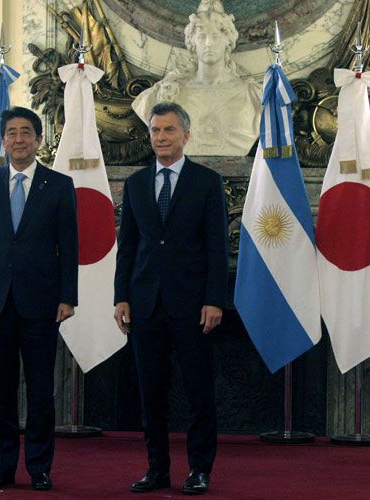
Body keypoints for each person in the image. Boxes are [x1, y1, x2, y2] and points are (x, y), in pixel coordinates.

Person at [114, 102, 228, 495]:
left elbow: (217, 248)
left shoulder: (207, 182)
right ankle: (157, 469)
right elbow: (127, 247)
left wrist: (215, 299)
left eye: (168, 131)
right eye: (155, 131)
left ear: (186, 135)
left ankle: (199, 469)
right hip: (145, 304)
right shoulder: (136, 183)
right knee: (151, 394)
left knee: (198, 392)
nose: (161, 138)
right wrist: (121, 297)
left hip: (194, 307)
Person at [0, 106, 78, 491]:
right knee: (3, 388)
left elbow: (69, 244)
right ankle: (3, 467)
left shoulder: (59, 185)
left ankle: (40, 467)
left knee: (42, 389)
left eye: (26, 132)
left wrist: (68, 296)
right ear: (3, 140)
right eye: (11, 132)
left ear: (39, 140)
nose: (18, 139)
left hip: (42, 302)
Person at [132, 0, 261, 156]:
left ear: (228, 41)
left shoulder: (254, 96)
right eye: (201, 37)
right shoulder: (163, 94)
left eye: (215, 36)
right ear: (192, 42)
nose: (208, 43)